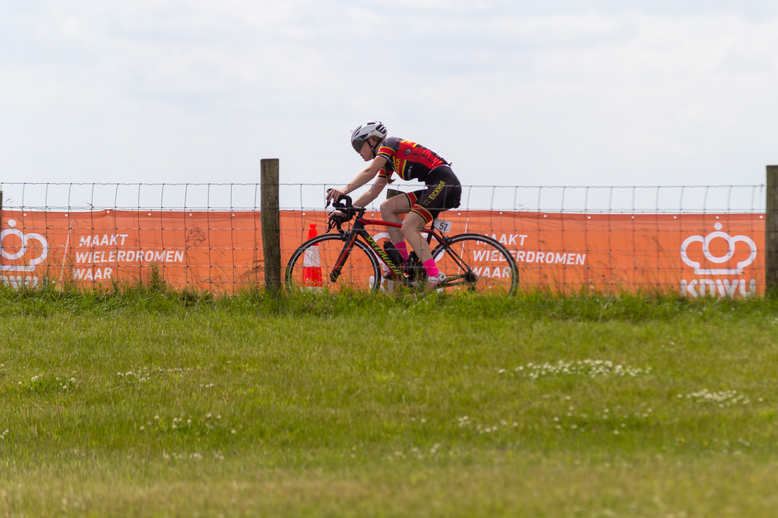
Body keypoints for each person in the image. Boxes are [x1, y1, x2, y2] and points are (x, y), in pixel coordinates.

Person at [325, 120, 462, 290]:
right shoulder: (388, 163)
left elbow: (370, 171)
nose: (358, 151)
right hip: (436, 185)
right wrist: (347, 212)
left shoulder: (390, 144)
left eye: (359, 145)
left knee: (408, 228)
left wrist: (344, 191)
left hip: (445, 183)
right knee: (387, 207)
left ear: (372, 141)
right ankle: (403, 263)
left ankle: (434, 276)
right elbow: (372, 193)